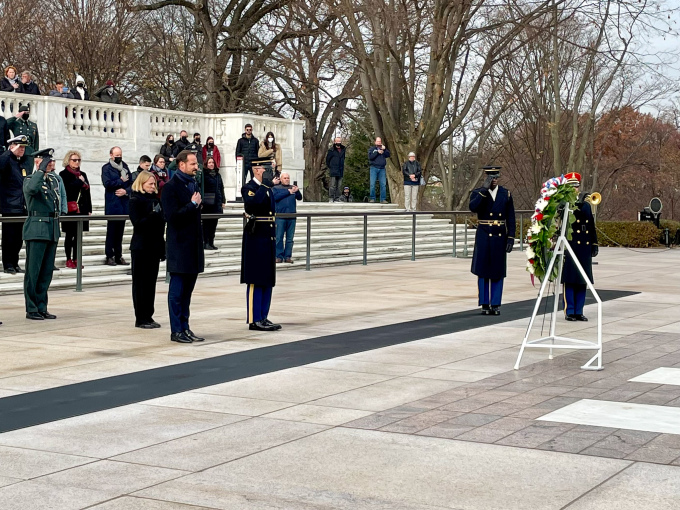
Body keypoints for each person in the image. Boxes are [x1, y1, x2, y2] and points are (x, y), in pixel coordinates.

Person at [161, 150, 205, 344]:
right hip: (179, 247)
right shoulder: (170, 187)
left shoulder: (193, 183)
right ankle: (176, 330)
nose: (197, 167)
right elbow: (171, 217)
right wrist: (192, 205)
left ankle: (185, 327)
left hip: (192, 246)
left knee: (187, 292)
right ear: (181, 165)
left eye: (196, 164)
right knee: (177, 292)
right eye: (193, 164)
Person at [469, 166, 516, 316]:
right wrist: (484, 190)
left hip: (499, 234)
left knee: (497, 270)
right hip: (484, 233)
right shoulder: (478, 192)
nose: (494, 180)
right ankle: (484, 303)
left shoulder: (505, 193)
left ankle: (495, 303)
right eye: (491, 178)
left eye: (496, 177)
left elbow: (511, 217)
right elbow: (473, 207)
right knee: (483, 270)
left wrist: (511, 237)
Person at [241, 160, 281, 331]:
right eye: (266, 169)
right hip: (255, 237)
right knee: (255, 279)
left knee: (267, 278)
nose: (268, 173)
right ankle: (254, 318)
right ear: (257, 170)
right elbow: (254, 204)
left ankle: (264, 316)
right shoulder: (249, 187)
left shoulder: (268, 188)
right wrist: (265, 186)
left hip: (268, 236)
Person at [22, 149, 60, 320]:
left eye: (50, 161)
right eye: (46, 160)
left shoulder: (51, 181)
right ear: (38, 161)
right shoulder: (31, 179)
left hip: (51, 228)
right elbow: (31, 190)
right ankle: (31, 308)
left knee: (46, 272)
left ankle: (42, 306)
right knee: (33, 272)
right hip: (37, 229)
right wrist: (39, 171)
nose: (50, 163)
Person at [130, 171, 166, 329]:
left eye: (154, 184)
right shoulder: (135, 199)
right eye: (150, 184)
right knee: (141, 283)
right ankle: (141, 317)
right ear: (142, 184)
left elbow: (161, 225)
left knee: (151, 283)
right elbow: (137, 222)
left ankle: (149, 315)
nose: (153, 187)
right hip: (141, 246)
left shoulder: (156, 200)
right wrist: (153, 215)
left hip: (154, 245)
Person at [562, 172, 599, 321]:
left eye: (576, 186)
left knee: (582, 279)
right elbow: (570, 216)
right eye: (572, 186)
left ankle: (579, 310)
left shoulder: (586, 204)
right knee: (570, 279)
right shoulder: (564, 202)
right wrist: (578, 202)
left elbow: (591, 224)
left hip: (584, 243)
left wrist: (594, 243)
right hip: (571, 243)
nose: (575, 189)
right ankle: (570, 310)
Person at [0, 136, 29, 274]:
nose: (22, 150)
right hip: (9, 206)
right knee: (8, 237)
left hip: (21, 206)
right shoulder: (6, 160)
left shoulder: (21, 163)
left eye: (23, 147)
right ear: (12, 147)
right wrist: (9, 151)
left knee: (18, 238)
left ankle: (15, 262)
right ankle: (7, 264)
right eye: (20, 147)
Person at [59, 150, 92, 269]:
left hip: (81, 208)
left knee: (79, 236)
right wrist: (80, 181)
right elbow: (68, 189)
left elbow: (87, 193)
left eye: (78, 160)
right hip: (70, 209)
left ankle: (77, 258)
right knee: (69, 235)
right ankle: (68, 259)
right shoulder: (63, 174)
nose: (77, 162)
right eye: (74, 160)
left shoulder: (82, 174)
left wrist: (89, 208)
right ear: (68, 160)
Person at [101, 146, 132, 266]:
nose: (119, 157)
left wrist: (126, 191)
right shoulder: (106, 168)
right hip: (112, 204)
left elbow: (131, 183)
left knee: (120, 232)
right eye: (116, 155)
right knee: (111, 231)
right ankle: (109, 255)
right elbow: (107, 184)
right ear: (111, 155)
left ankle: (119, 255)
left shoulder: (125, 166)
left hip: (123, 204)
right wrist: (120, 180)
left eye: (120, 154)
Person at [273, 172, 302, 263]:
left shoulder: (292, 188)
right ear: (281, 179)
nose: (287, 179)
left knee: (290, 239)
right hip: (280, 216)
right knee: (279, 237)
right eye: (285, 178)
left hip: (292, 216)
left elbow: (299, 198)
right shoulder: (276, 188)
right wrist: (287, 192)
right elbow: (275, 197)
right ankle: (278, 256)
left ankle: (288, 256)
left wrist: (297, 191)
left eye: (288, 178)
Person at [7, 105, 39, 176]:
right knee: (17, 173)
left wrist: (36, 154)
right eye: (24, 112)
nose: (26, 114)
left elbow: (36, 141)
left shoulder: (33, 125)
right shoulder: (15, 123)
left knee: (28, 174)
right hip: (18, 152)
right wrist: (16, 117)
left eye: (27, 112)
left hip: (29, 153)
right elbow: (5, 124)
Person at [201, 157, 225, 250]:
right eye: (209, 162)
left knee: (214, 224)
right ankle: (206, 242)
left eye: (212, 162)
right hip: (207, 203)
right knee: (206, 224)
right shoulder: (204, 174)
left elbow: (221, 188)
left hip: (216, 202)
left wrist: (223, 200)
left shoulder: (218, 175)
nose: (211, 164)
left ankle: (211, 242)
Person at [368, 137, 390, 204]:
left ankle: (383, 199)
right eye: (377, 141)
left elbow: (388, 155)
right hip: (374, 168)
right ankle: (372, 198)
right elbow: (370, 157)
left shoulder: (383, 149)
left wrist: (385, 149)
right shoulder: (372, 149)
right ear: (375, 142)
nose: (379, 143)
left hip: (382, 169)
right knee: (372, 184)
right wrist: (377, 152)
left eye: (380, 141)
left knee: (383, 184)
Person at [326, 136, 346, 202]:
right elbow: (327, 160)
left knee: (339, 185)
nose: (338, 143)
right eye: (337, 141)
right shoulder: (331, 150)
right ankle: (331, 198)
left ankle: (337, 198)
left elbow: (344, 158)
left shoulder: (343, 149)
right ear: (334, 142)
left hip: (340, 169)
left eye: (339, 141)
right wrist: (331, 167)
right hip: (333, 169)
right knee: (332, 185)